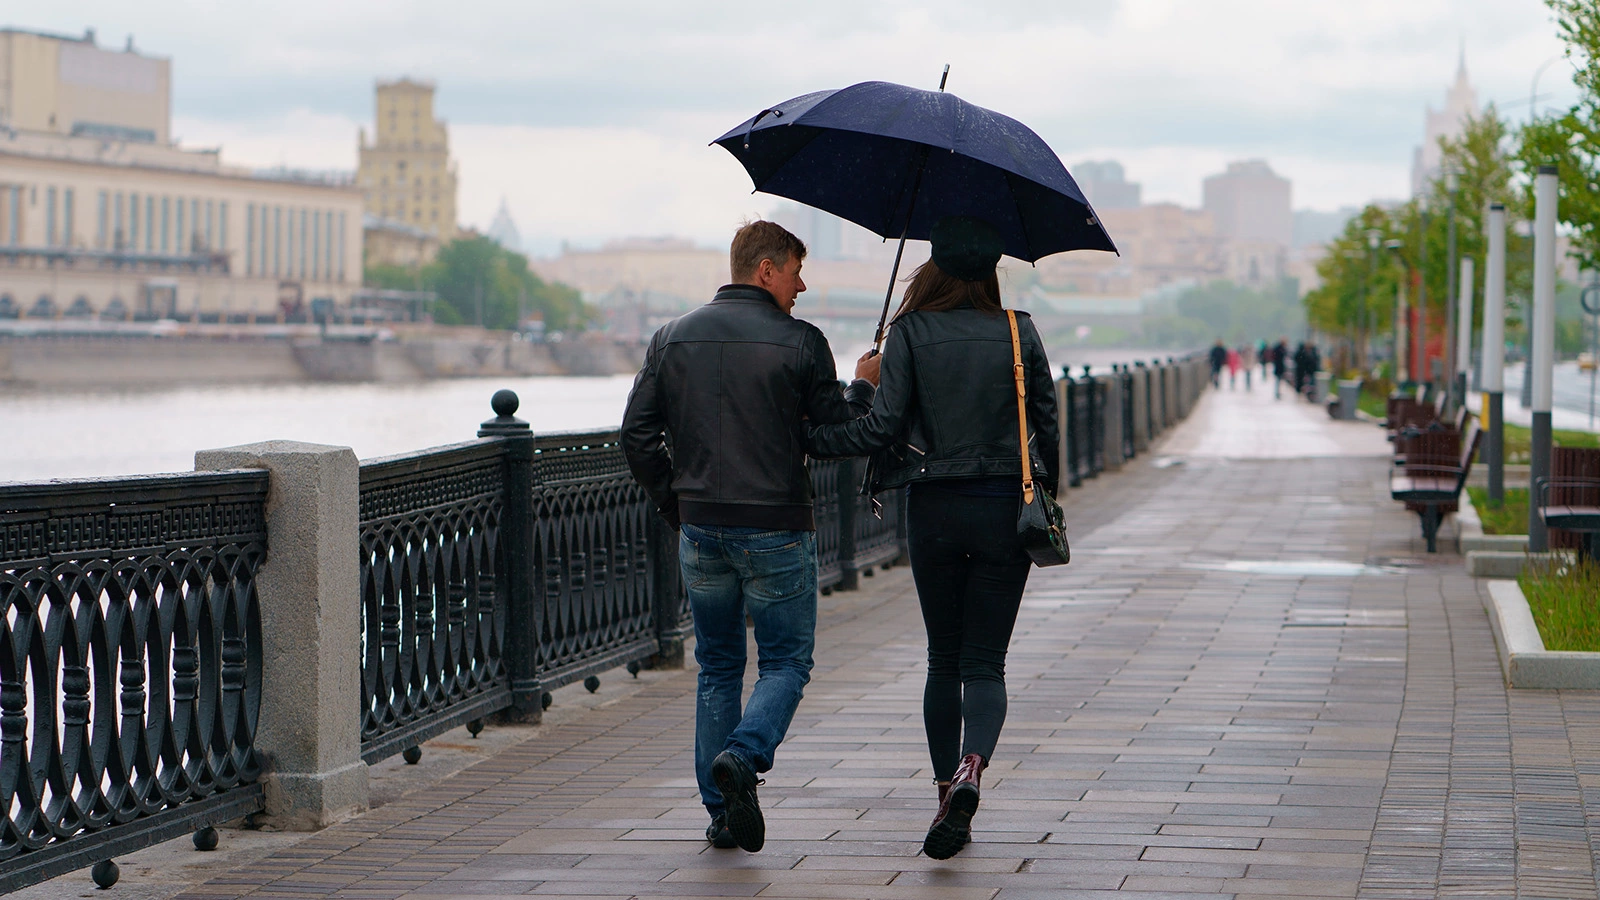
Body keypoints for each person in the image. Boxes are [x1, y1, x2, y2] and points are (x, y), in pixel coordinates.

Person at [621, 220, 879, 854]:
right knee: (787, 661)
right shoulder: (801, 343)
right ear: (766, 269)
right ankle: (744, 753)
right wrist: (865, 386)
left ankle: (721, 814)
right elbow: (832, 435)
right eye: (795, 269)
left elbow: (635, 434)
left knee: (717, 667)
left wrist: (676, 503)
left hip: (701, 528)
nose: (803, 284)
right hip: (775, 527)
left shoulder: (670, 337)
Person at [805, 217, 1059, 861]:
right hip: (1006, 508)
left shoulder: (911, 333)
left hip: (935, 511)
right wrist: (1037, 488)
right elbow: (1048, 429)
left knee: (944, 660)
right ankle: (975, 769)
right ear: (991, 272)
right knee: (986, 663)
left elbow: (880, 428)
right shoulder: (1017, 329)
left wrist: (833, 415)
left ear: (935, 271)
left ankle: (947, 792)